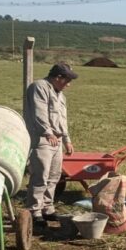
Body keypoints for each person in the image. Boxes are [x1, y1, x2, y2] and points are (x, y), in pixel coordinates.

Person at [24, 62, 78, 227]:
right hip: (42, 139)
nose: (68, 84)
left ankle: (47, 208)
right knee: (41, 176)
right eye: (67, 80)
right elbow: (39, 113)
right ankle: (34, 211)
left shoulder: (61, 95)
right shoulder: (39, 87)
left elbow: (62, 119)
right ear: (58, 77)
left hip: (57, 139)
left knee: (54, 176)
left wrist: (67, 140)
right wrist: (48, 132)